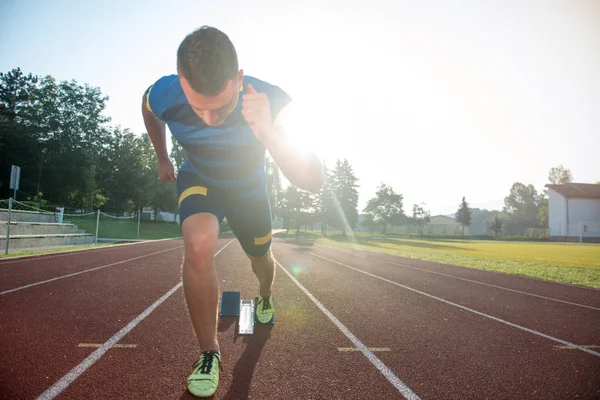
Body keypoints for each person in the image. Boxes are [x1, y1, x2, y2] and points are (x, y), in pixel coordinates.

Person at [141, 26, 324, 398]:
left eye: (222, 108)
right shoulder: (165, 92)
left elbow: (314, 180)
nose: (210, 119)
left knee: (261, 259)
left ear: (239, 80)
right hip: (200, 178)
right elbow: (147, 108)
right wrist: (162, 156)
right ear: (181, 83)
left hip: (248, 189)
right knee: (198, 245)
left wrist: (268, 133)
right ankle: (209, 352)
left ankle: (267, 293)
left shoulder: (271, 100)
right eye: (198, 109)